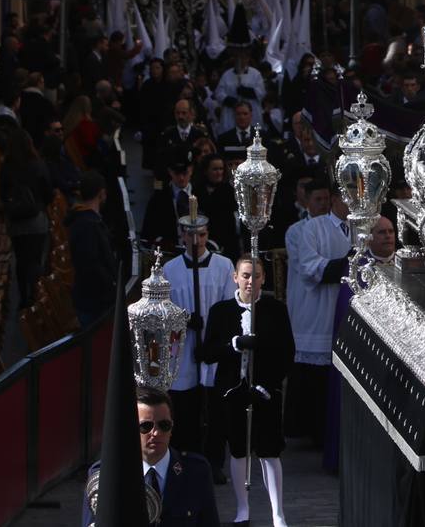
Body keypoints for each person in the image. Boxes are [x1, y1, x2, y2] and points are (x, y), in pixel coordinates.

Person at [201, 256, 295, 527]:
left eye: (255, 276)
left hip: (264, 390)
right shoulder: (221, 311)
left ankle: (278, 513)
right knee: (239, 450)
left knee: (269, 450)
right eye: (245, 275)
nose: (250, 281)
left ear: (263, 278)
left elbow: (287, 352)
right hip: (233, 391)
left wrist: (270, 384)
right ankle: (243, 509)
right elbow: (207, 353)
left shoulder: (275, 310)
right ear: (235, 277)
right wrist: (234, 344)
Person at [80, 386, 220, 527]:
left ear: (172, 428)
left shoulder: (195, 471)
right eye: (146, 426)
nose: (156, 433)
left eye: (164, 425)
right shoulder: (106, 475)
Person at [163, 218, 236, 482]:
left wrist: (213, 338)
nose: (197, 242)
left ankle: (214, 462)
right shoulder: (170, 269)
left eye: (202, 235)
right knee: (187, 408)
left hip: (213, 347)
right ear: (182, 235)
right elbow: (164, 310)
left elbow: (230, 309)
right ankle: (188, 459)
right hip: (184, 349)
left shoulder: (223, 266)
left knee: (216, 408)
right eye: (191, 236)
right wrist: (183, 320)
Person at [283, 180, 351, 445]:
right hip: (314, 307)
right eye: (320, 200)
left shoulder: (361, 226)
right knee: (312, 375)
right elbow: (311, 268)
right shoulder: (306, 230)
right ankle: (311, 430)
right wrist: (350, 264)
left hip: (345, 308)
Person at [0, 130, 54, 309]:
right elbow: (48, 193)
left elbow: (2, 194)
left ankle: (24, 296)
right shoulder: (37, 165)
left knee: (21, 259)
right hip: (36, 219)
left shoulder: (7, 167)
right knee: (36, 258)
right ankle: (36, 294)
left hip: (16, 222)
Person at [67, 171, 118, 327]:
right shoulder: (88, 225)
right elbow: (91, 265)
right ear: (101, 194)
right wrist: (112, 283)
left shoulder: (85, 221)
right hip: (94, 301)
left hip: (93, 297)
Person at [194, 153, 241, 262]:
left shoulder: (229, 191)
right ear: (206, 171)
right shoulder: (198, 191)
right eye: (215, 169)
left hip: (227, 243)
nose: (219, 172)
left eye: (221, 169)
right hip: (204, 241)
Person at [144, 153, 197, 249]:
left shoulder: (202, 195)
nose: (181, 178)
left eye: (185, 173)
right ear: (170, 171)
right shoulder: (158, 198)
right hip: (170, 252)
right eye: (177, 173)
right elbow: (148, 230)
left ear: (191, 170)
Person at [157, 99, 209, 183]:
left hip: (195, 180)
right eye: (177, 113)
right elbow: (161, 161)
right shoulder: (167, 135)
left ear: (191, 114)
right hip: (173, 180)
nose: (180, 116)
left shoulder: (200, 135)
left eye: (184, 113)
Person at [216, 100, 257, 166]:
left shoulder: (262, 136)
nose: (242, 117)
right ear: (234, 116)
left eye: (245, 114)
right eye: (238, 114)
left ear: (251, 115)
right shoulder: (223, 139)